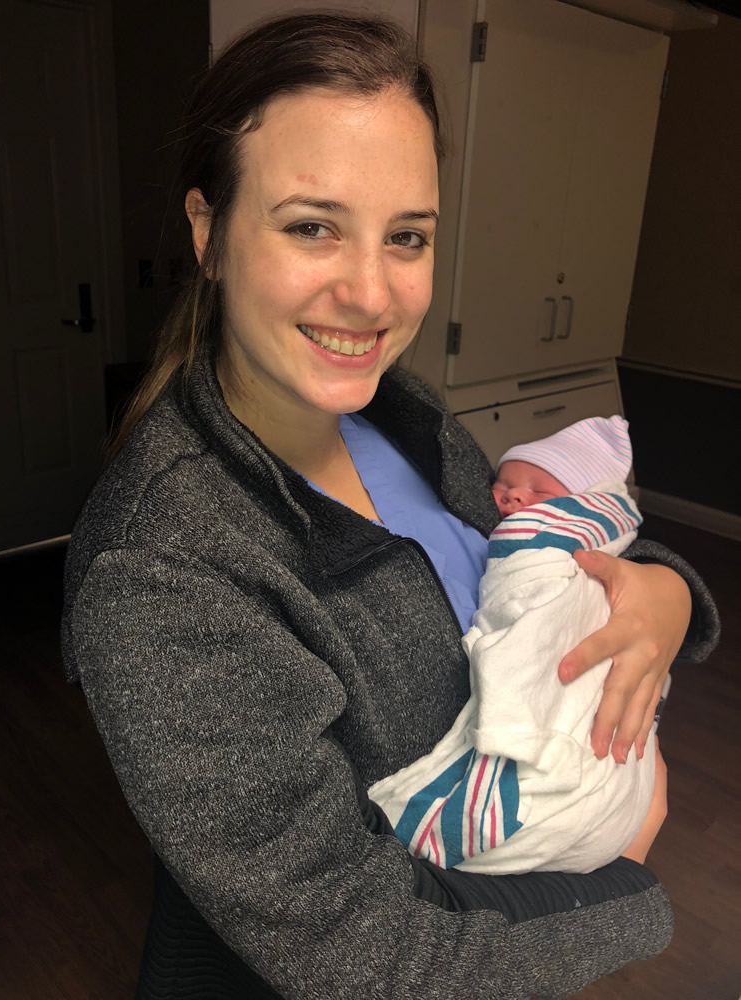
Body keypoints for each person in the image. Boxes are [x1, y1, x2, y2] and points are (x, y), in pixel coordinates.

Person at [60, 12, 719, 1000]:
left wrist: (663, 595)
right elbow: (360, 951)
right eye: (311, 226)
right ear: (208, 231)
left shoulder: (403, 415)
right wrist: (628, 887)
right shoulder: (164, 566)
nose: (372, 295)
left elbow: (526, 555)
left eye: (406, 236)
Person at [370, 415, 660, 875]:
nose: (513, 496)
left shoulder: (423, 422)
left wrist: (670, 588)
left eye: (539, 491)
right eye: (502, 485)